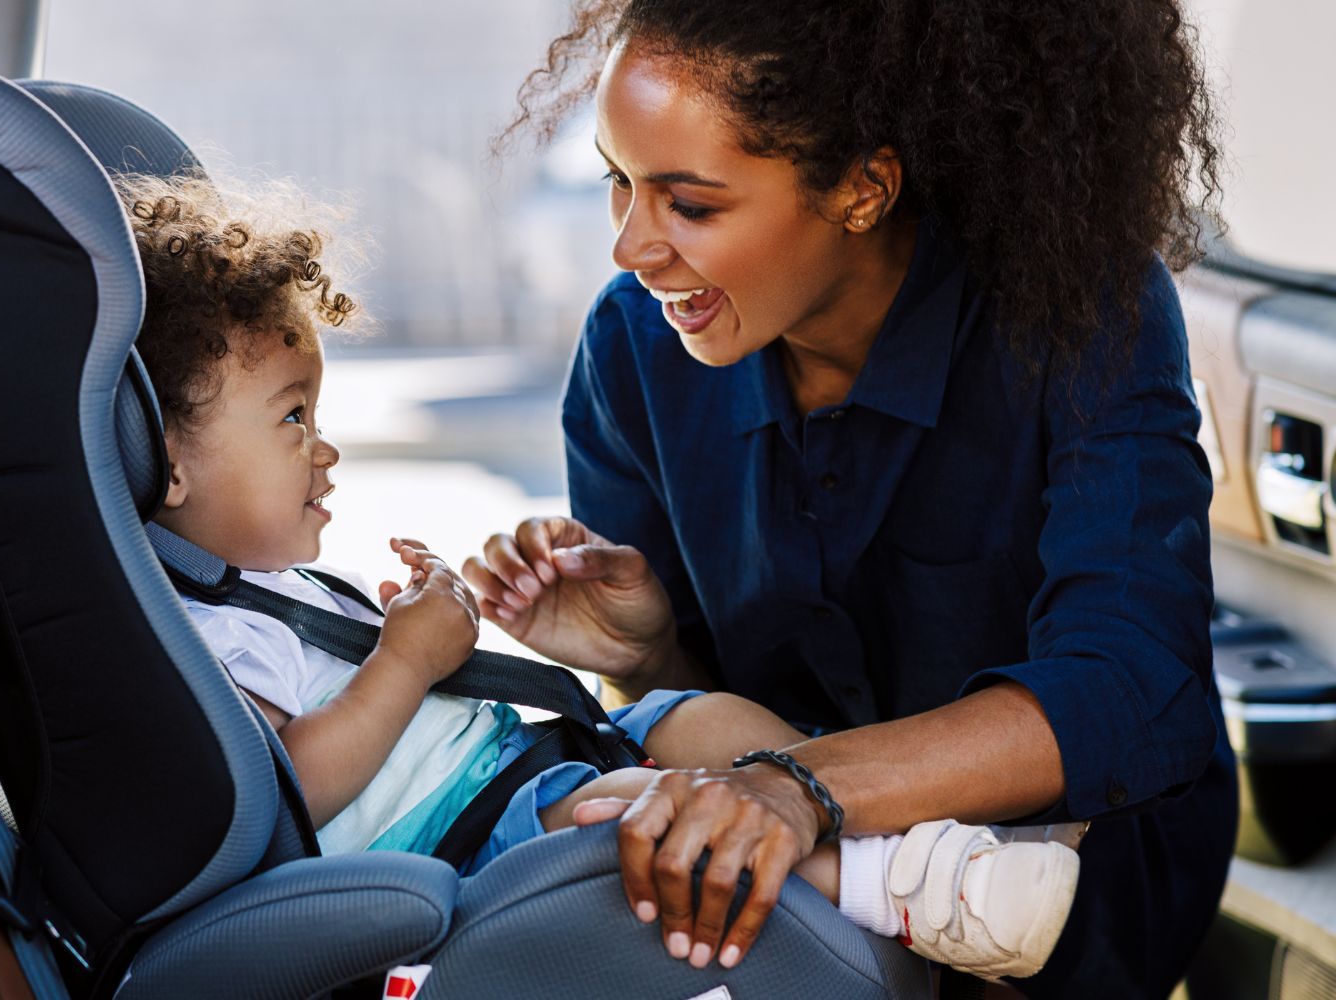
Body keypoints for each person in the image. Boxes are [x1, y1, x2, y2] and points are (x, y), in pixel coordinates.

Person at [119, 171, 1084, 981]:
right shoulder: (197, 637)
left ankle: (919, 842)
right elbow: (290, 791)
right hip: (471, 833)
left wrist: (412, 629)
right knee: (645, 809)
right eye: (293, 420)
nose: (324, 451)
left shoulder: (272, 592)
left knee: (694, 716)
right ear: (166, 460)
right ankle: (907, 892)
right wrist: (405, 662)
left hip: (527, 765)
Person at [462, 0, 1236, 996]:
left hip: (1070, 882)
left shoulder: (1078, 310)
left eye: (688, 204)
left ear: (864, 190)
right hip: (791, 859)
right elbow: (712, 719)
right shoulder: (634, 350)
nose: (630, 247)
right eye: (620, 183)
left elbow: (1129, 690)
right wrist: (646, 653)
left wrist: (801, 789)